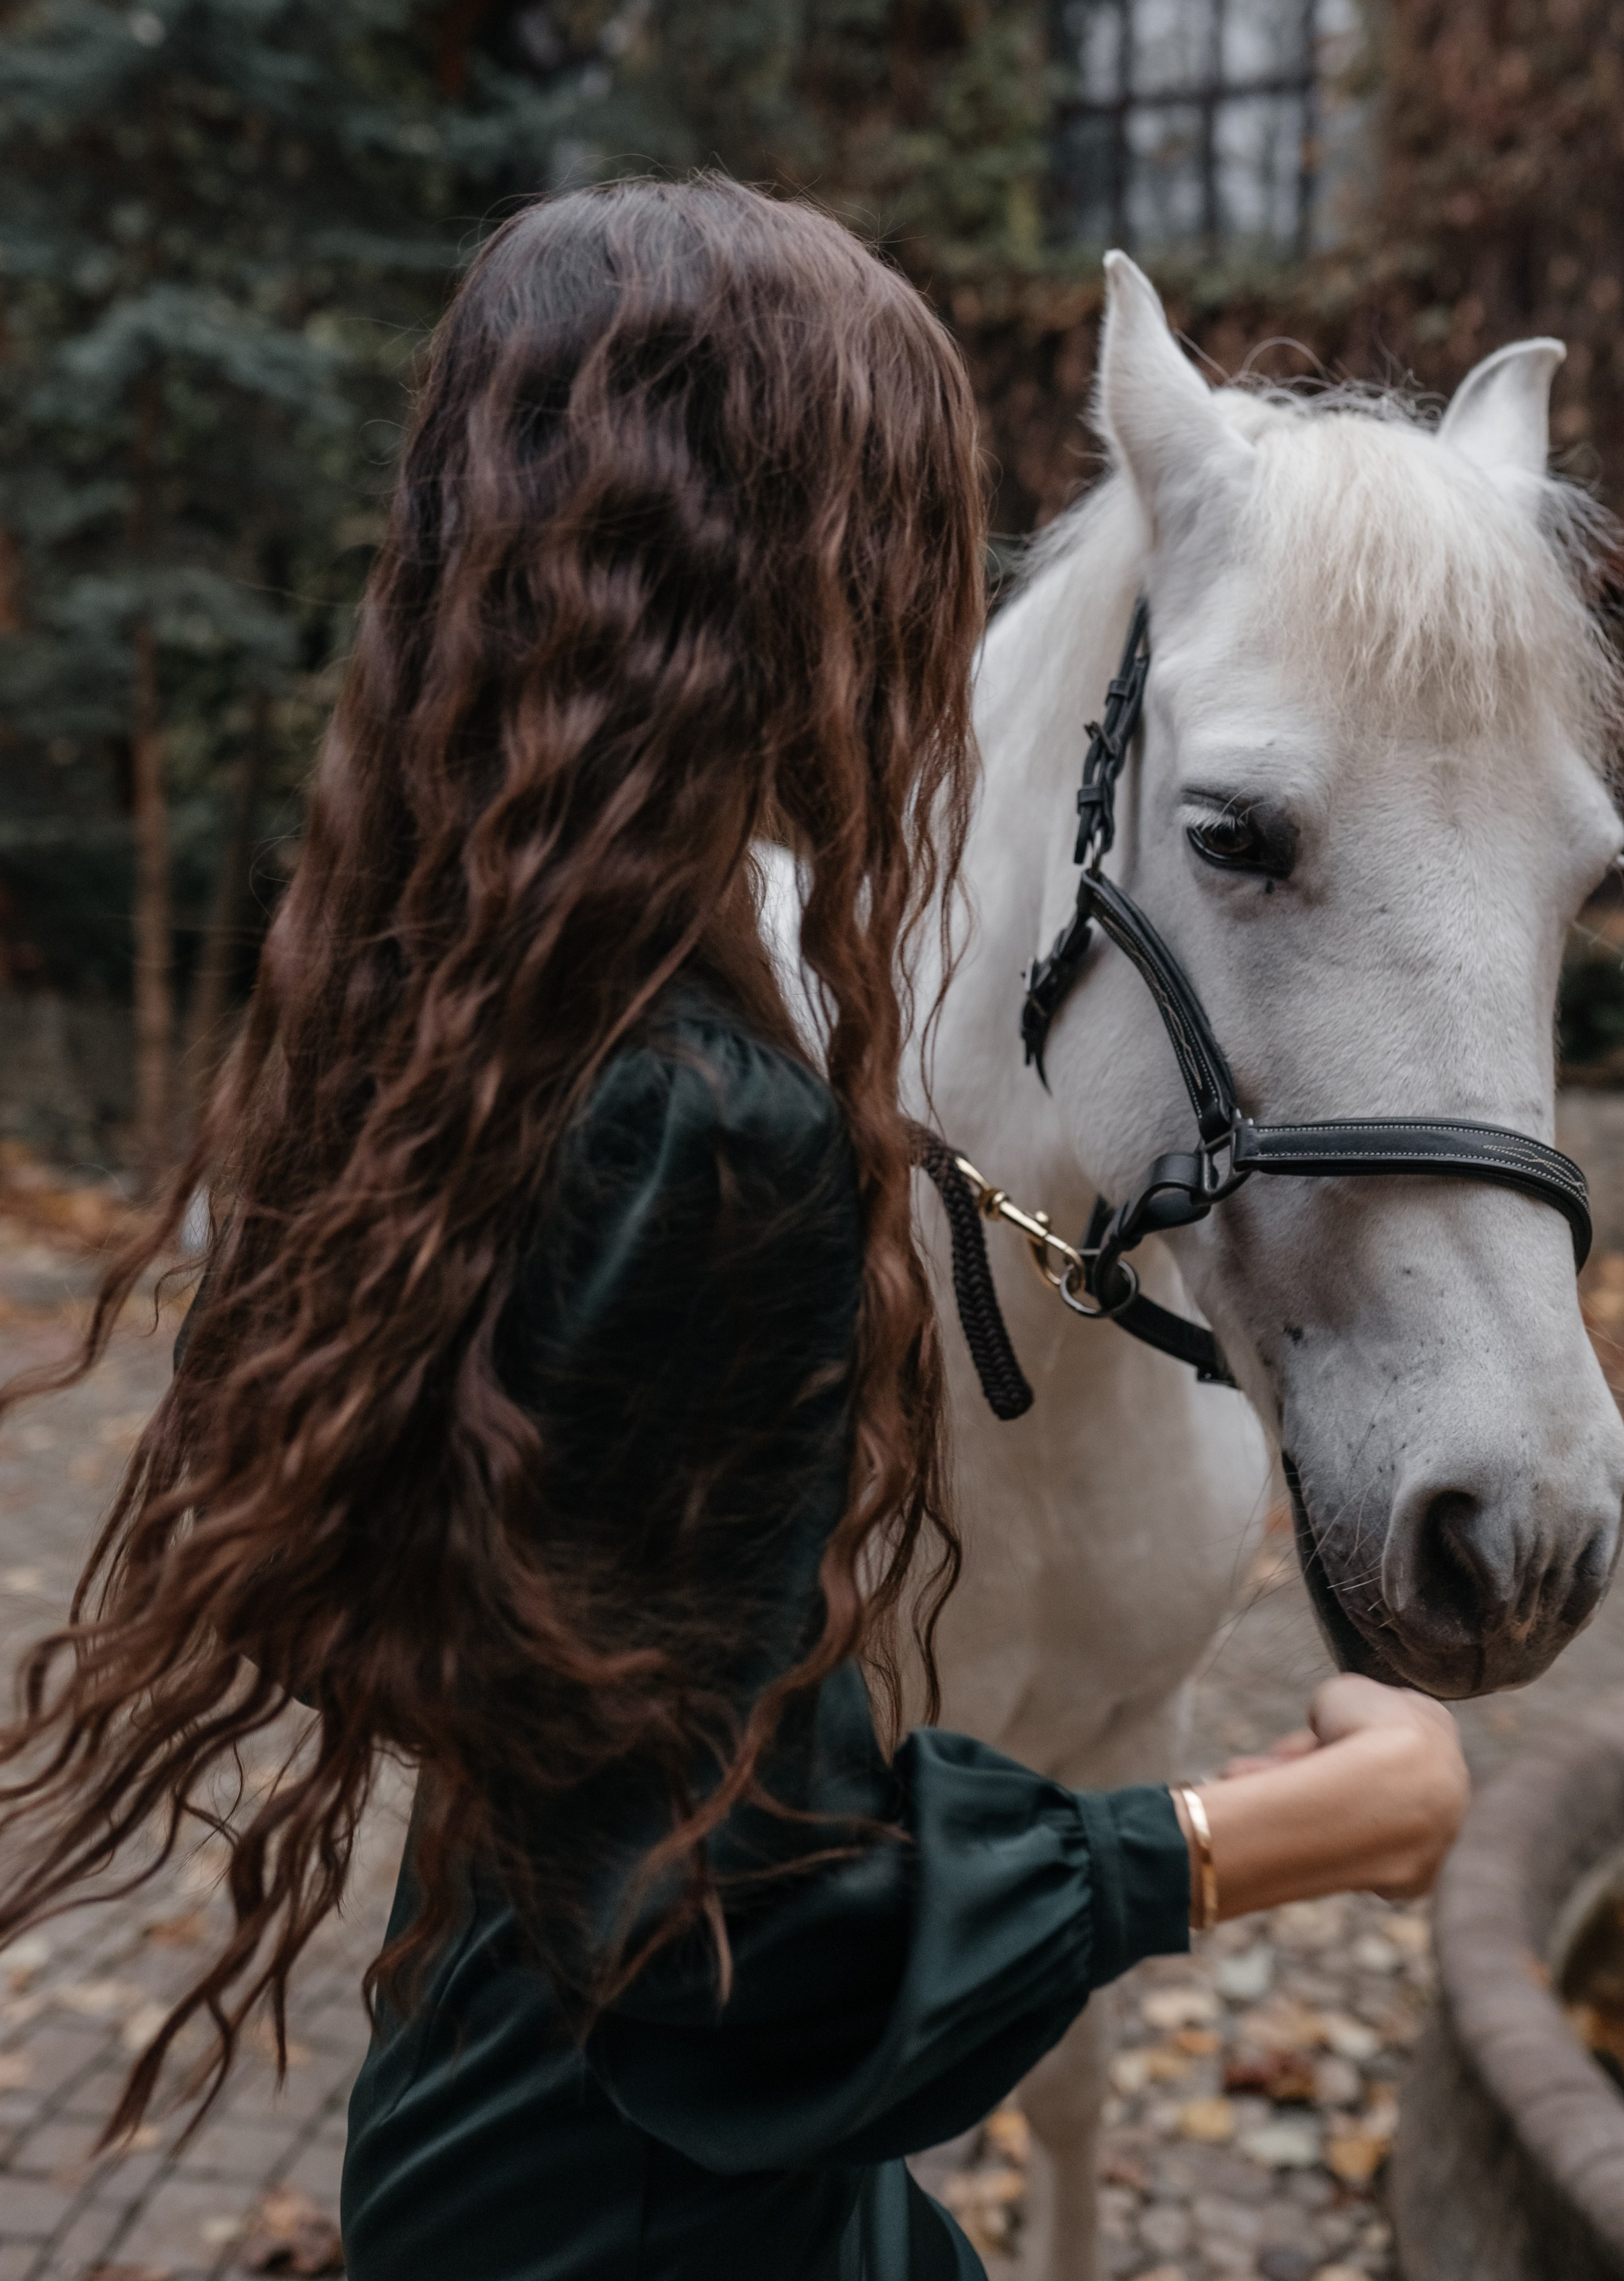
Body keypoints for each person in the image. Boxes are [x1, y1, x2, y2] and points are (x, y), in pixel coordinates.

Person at [0, 179, 1469, 2280]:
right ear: (776, 583)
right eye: (899, 538)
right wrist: (1279, 1835)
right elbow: (737, 1958)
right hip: (651, 2222)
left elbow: (586, 1761)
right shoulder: (716, 1136)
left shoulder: (468, 1010)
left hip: (467, 2118)